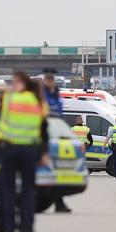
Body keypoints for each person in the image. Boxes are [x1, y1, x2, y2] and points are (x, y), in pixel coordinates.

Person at [0, 72, 47, 232]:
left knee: (7, 190)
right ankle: (27, 228)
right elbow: (43, 128)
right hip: (30, 150)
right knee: (28, 190)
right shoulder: (37, 101)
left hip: (10, 148)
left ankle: (8, 228)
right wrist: (43, 152)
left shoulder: (9, 99)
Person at [40, 69, 72, 213]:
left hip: (56, 134)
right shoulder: (42, 94)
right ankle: (56, 202)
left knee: (57, 170)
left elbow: (59, 113)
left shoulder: (56, 93)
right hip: (43, 135)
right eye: (47, 78)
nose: (50, 81)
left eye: (52, 78)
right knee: (47, 170)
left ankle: (59, 202)